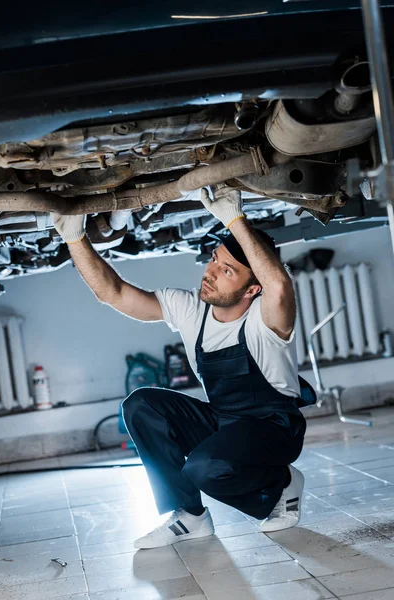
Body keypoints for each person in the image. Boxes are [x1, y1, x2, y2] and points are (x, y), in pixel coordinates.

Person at [52, 184, 313, 550]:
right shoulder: (191, 309)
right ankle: (191, 516)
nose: (211, 272)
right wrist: (75, 239)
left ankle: (282, 483)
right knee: (141, 405)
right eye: (214, 260)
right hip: (224, 420)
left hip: (273, 429)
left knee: (205, 467)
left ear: (253, 289)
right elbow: (113, 293)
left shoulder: (267, 320)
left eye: (228, 271)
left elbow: (280, 286)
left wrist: (237, 220)